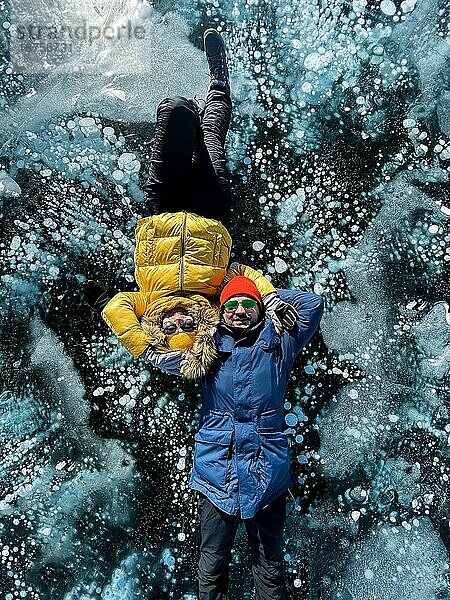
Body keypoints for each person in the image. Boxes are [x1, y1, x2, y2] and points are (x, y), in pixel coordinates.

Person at [86, 29, 297, 379]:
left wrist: (146, 351)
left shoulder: (146, 301)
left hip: (162, 206)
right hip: (209, 207)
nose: (179, 320)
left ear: (158, 331)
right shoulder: (217, 298)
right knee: (211, 131)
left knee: (175, 109)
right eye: (189, 326)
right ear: (202, 329)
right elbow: (247, 276)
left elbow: (117, 308)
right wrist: (272, 301)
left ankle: (192, 117)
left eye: (170, 330)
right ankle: (219, 78)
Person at [146, 274, 324, 599]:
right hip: (217, 473)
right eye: (232, 305)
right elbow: (152, 335)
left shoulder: (281, 340)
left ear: (259, 309)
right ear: (221, 309)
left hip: (267, 474)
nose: (240, 311)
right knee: (212, 564)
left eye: (248, 304)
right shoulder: (204, 345)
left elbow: (313, 304)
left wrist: (264, 291)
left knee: (269, 567)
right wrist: (211, 297)